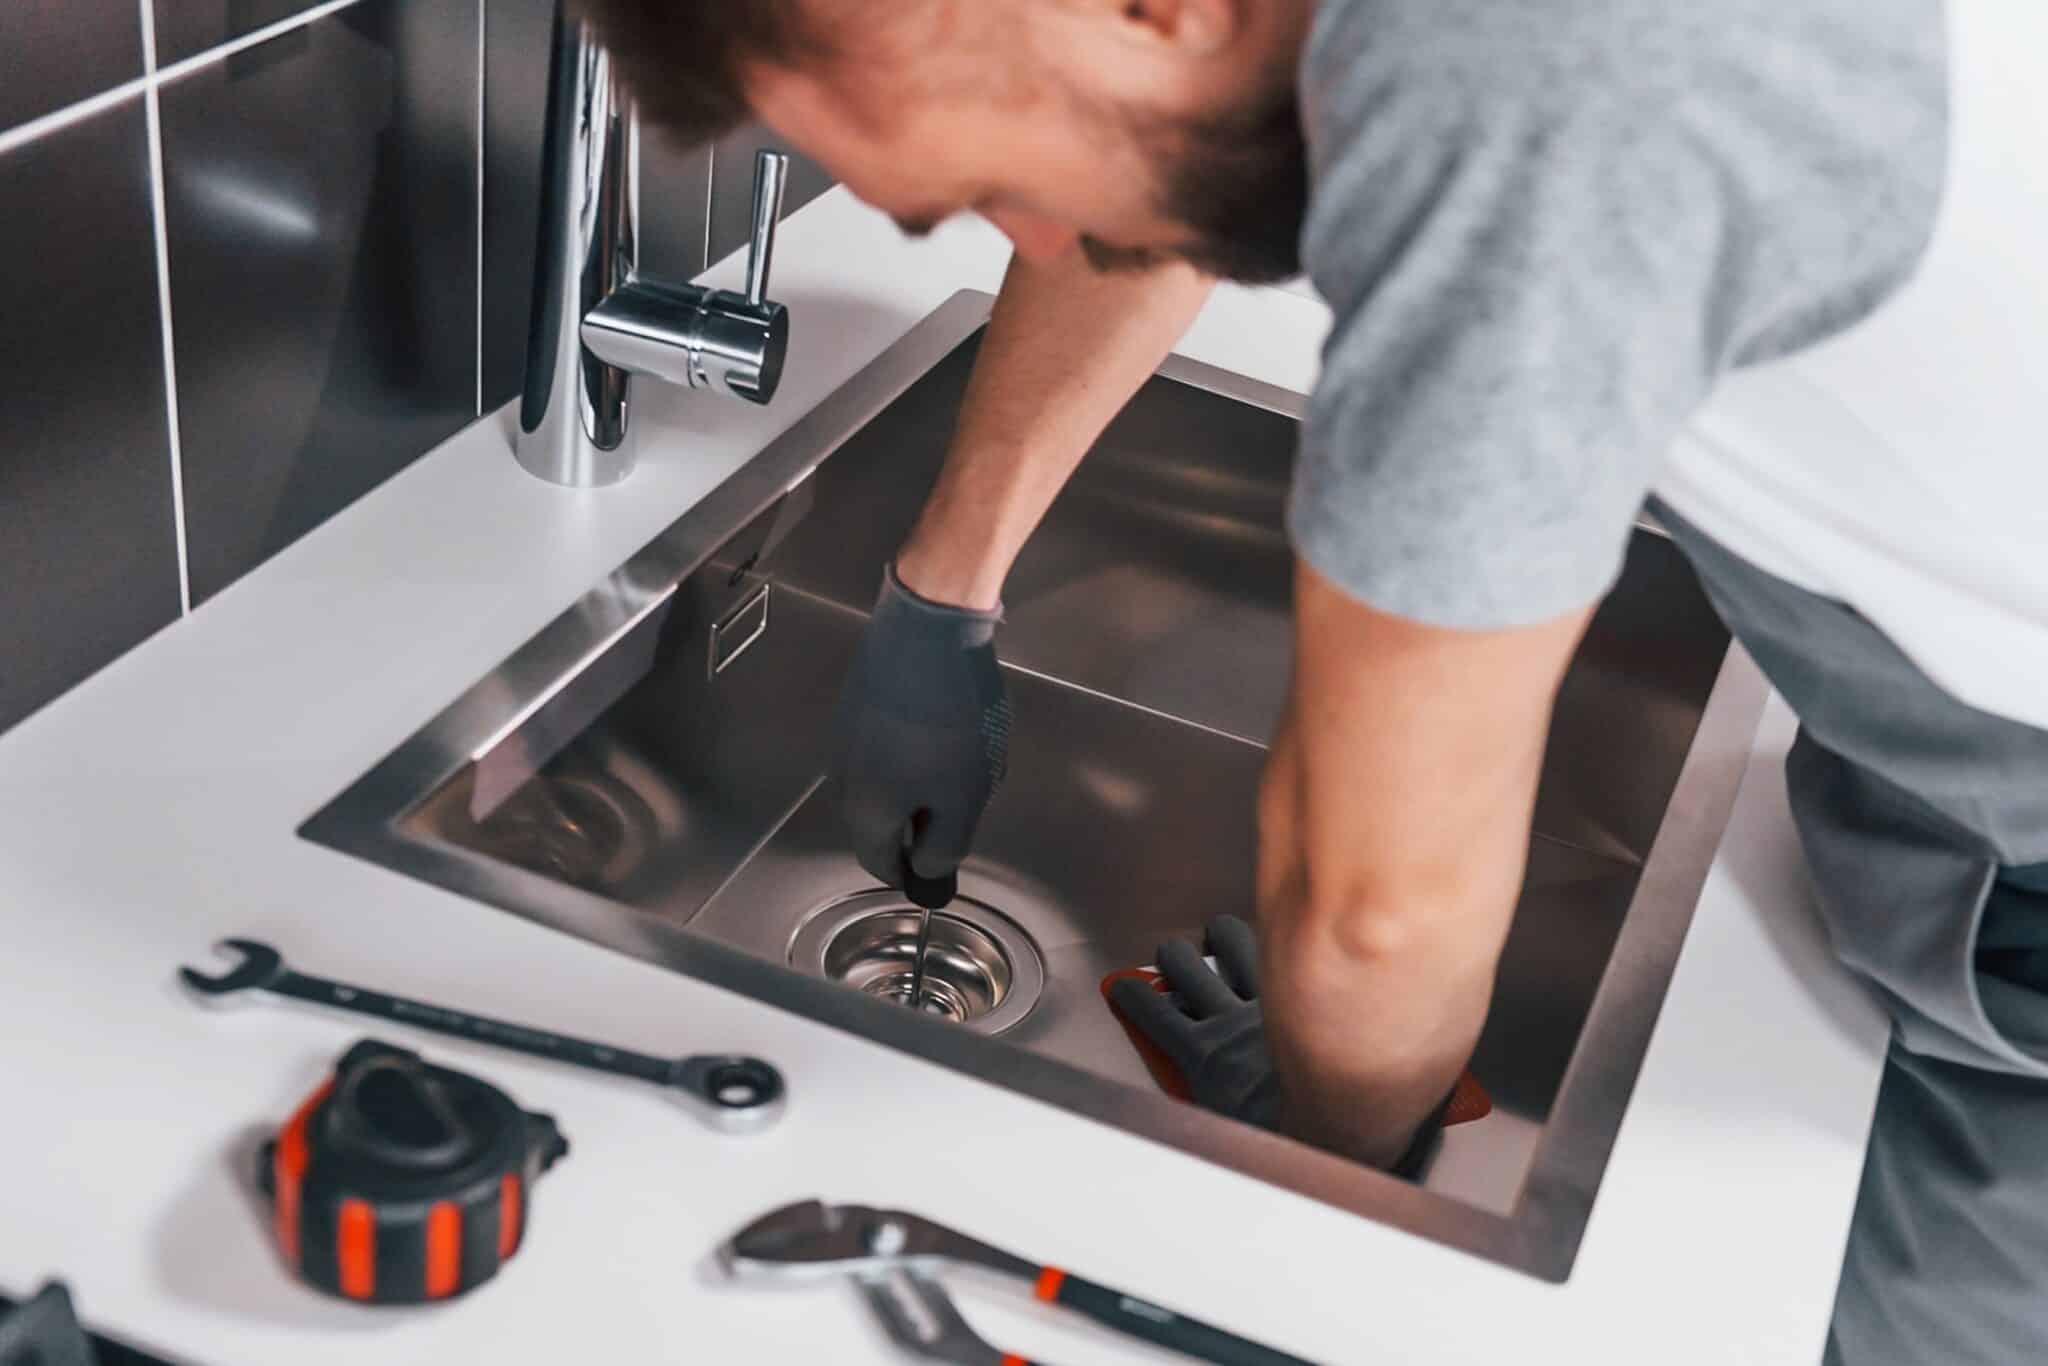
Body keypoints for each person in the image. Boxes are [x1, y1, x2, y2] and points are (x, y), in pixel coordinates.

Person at [577, 2, 2047, 1360]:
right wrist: (942, 589)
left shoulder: (1523, 92)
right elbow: (1166, 171)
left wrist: (1328, 1149)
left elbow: (1380, 909)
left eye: (980, 186)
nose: (1029, 236)